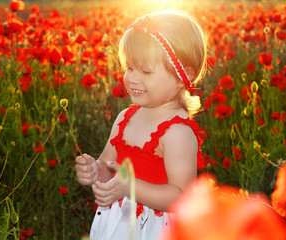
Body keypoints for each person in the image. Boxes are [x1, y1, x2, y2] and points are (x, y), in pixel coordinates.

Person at [75, 9, 207, 240]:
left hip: (156, 229)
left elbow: (181, 197)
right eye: (130, 68)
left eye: (146, 71)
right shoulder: (125, 118)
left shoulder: (177, 132)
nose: (132, 78)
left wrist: (130, 188)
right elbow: (109, 168)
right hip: (120, 222)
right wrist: (96, 171)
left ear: (182, 77)